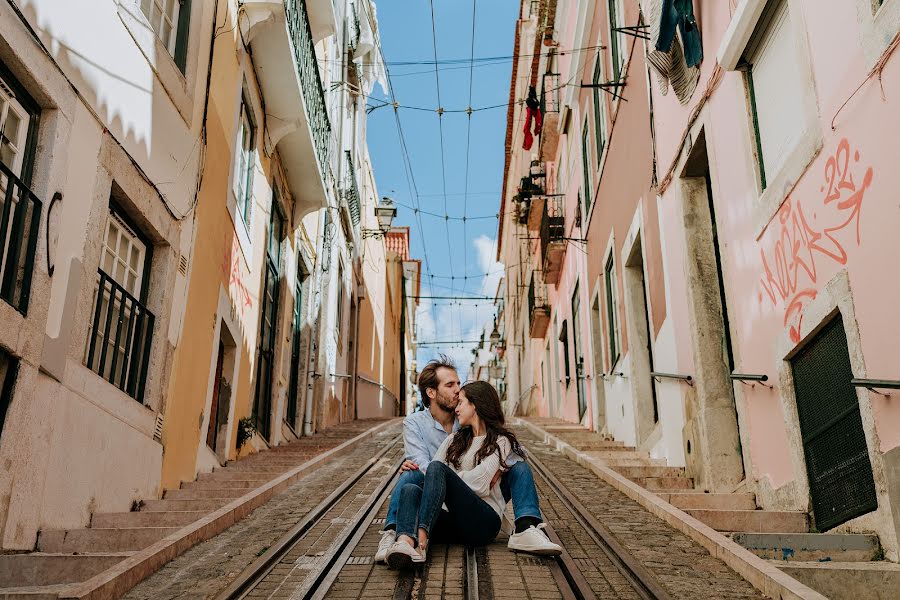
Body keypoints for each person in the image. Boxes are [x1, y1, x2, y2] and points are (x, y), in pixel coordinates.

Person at [374, 356, 561, 564]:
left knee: (519, 467)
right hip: (446, 503)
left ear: (476, 406)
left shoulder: (495, 438)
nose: (456, 393)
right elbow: (430, 468)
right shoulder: (442, 432)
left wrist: (501, 464)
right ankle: (401, 539)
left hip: (481, 515)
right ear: (431, 392)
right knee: (409, 479)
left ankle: (526, 528)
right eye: (450, 384)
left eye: (459, 388)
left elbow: (482, 480)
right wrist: (445, 480)